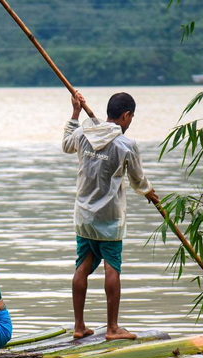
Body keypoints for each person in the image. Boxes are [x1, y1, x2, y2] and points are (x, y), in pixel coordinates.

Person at [62, 92, 159, 340]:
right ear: (126, 115)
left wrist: (74, 114)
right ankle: (112, 328)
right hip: (110, 219)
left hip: (84, 217)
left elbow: (66, 145)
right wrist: (148, 192)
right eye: (131, 117)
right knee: (111, 268)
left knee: (82, 266)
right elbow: (138, 180)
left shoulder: (84, 133)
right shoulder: (126, 145)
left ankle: (79, 326)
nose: (130, 122)